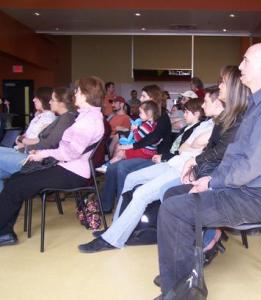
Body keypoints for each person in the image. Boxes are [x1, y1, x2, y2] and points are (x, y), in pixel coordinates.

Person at [154, 43, 261, 298]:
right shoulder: (260, 104)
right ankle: (186, 277)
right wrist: (211, 178)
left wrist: (212, 183)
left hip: (254, 196)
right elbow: (239, 157)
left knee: (173, 211)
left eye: (245, 61)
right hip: (242, 188)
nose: (241, 66)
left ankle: (182, 294)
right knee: (173, 195)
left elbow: (252, 166)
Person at [78, 87, 220, 253]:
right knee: (131, 178)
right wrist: (192, 145)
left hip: (185, 170)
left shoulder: (219, 126)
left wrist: (191, 146)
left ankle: (113, 239)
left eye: (207, 101)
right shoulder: (206, 123)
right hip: (175, 162)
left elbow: (195, 147)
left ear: (218, 104)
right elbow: (184, 147)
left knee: (141, 194)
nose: (203, 104)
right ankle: (116, 228)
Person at [0, 76, 105, 246]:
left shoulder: (89, 121)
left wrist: (42, 154)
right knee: (16, 180)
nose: (75, 94)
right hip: (67, 167)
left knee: (15, 186)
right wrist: (43, 153)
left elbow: (71, 153)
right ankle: (4, 232)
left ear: (86, 95)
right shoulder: (85, 116)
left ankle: (3, 232)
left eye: (78, 91)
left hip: (72, 172)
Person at [98, 85, 172, 212]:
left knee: (122, 167)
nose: (140, 98)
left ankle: (124, 208)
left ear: (152, 98)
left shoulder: (162, 117)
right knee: (112, 168)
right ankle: (106, 206)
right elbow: (139, 134)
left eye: (143, 96)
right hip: (143, 152)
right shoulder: (147, 117)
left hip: (155, 157)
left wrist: (129, 146)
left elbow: (151, 139)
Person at [0, 87, 77, 192]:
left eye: (53, 100)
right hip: (34, 156)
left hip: (37, 161)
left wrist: (26, 145)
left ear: (61, 103)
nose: (50, 101)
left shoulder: (65, 119)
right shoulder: (62, 118)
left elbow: (48, 144)